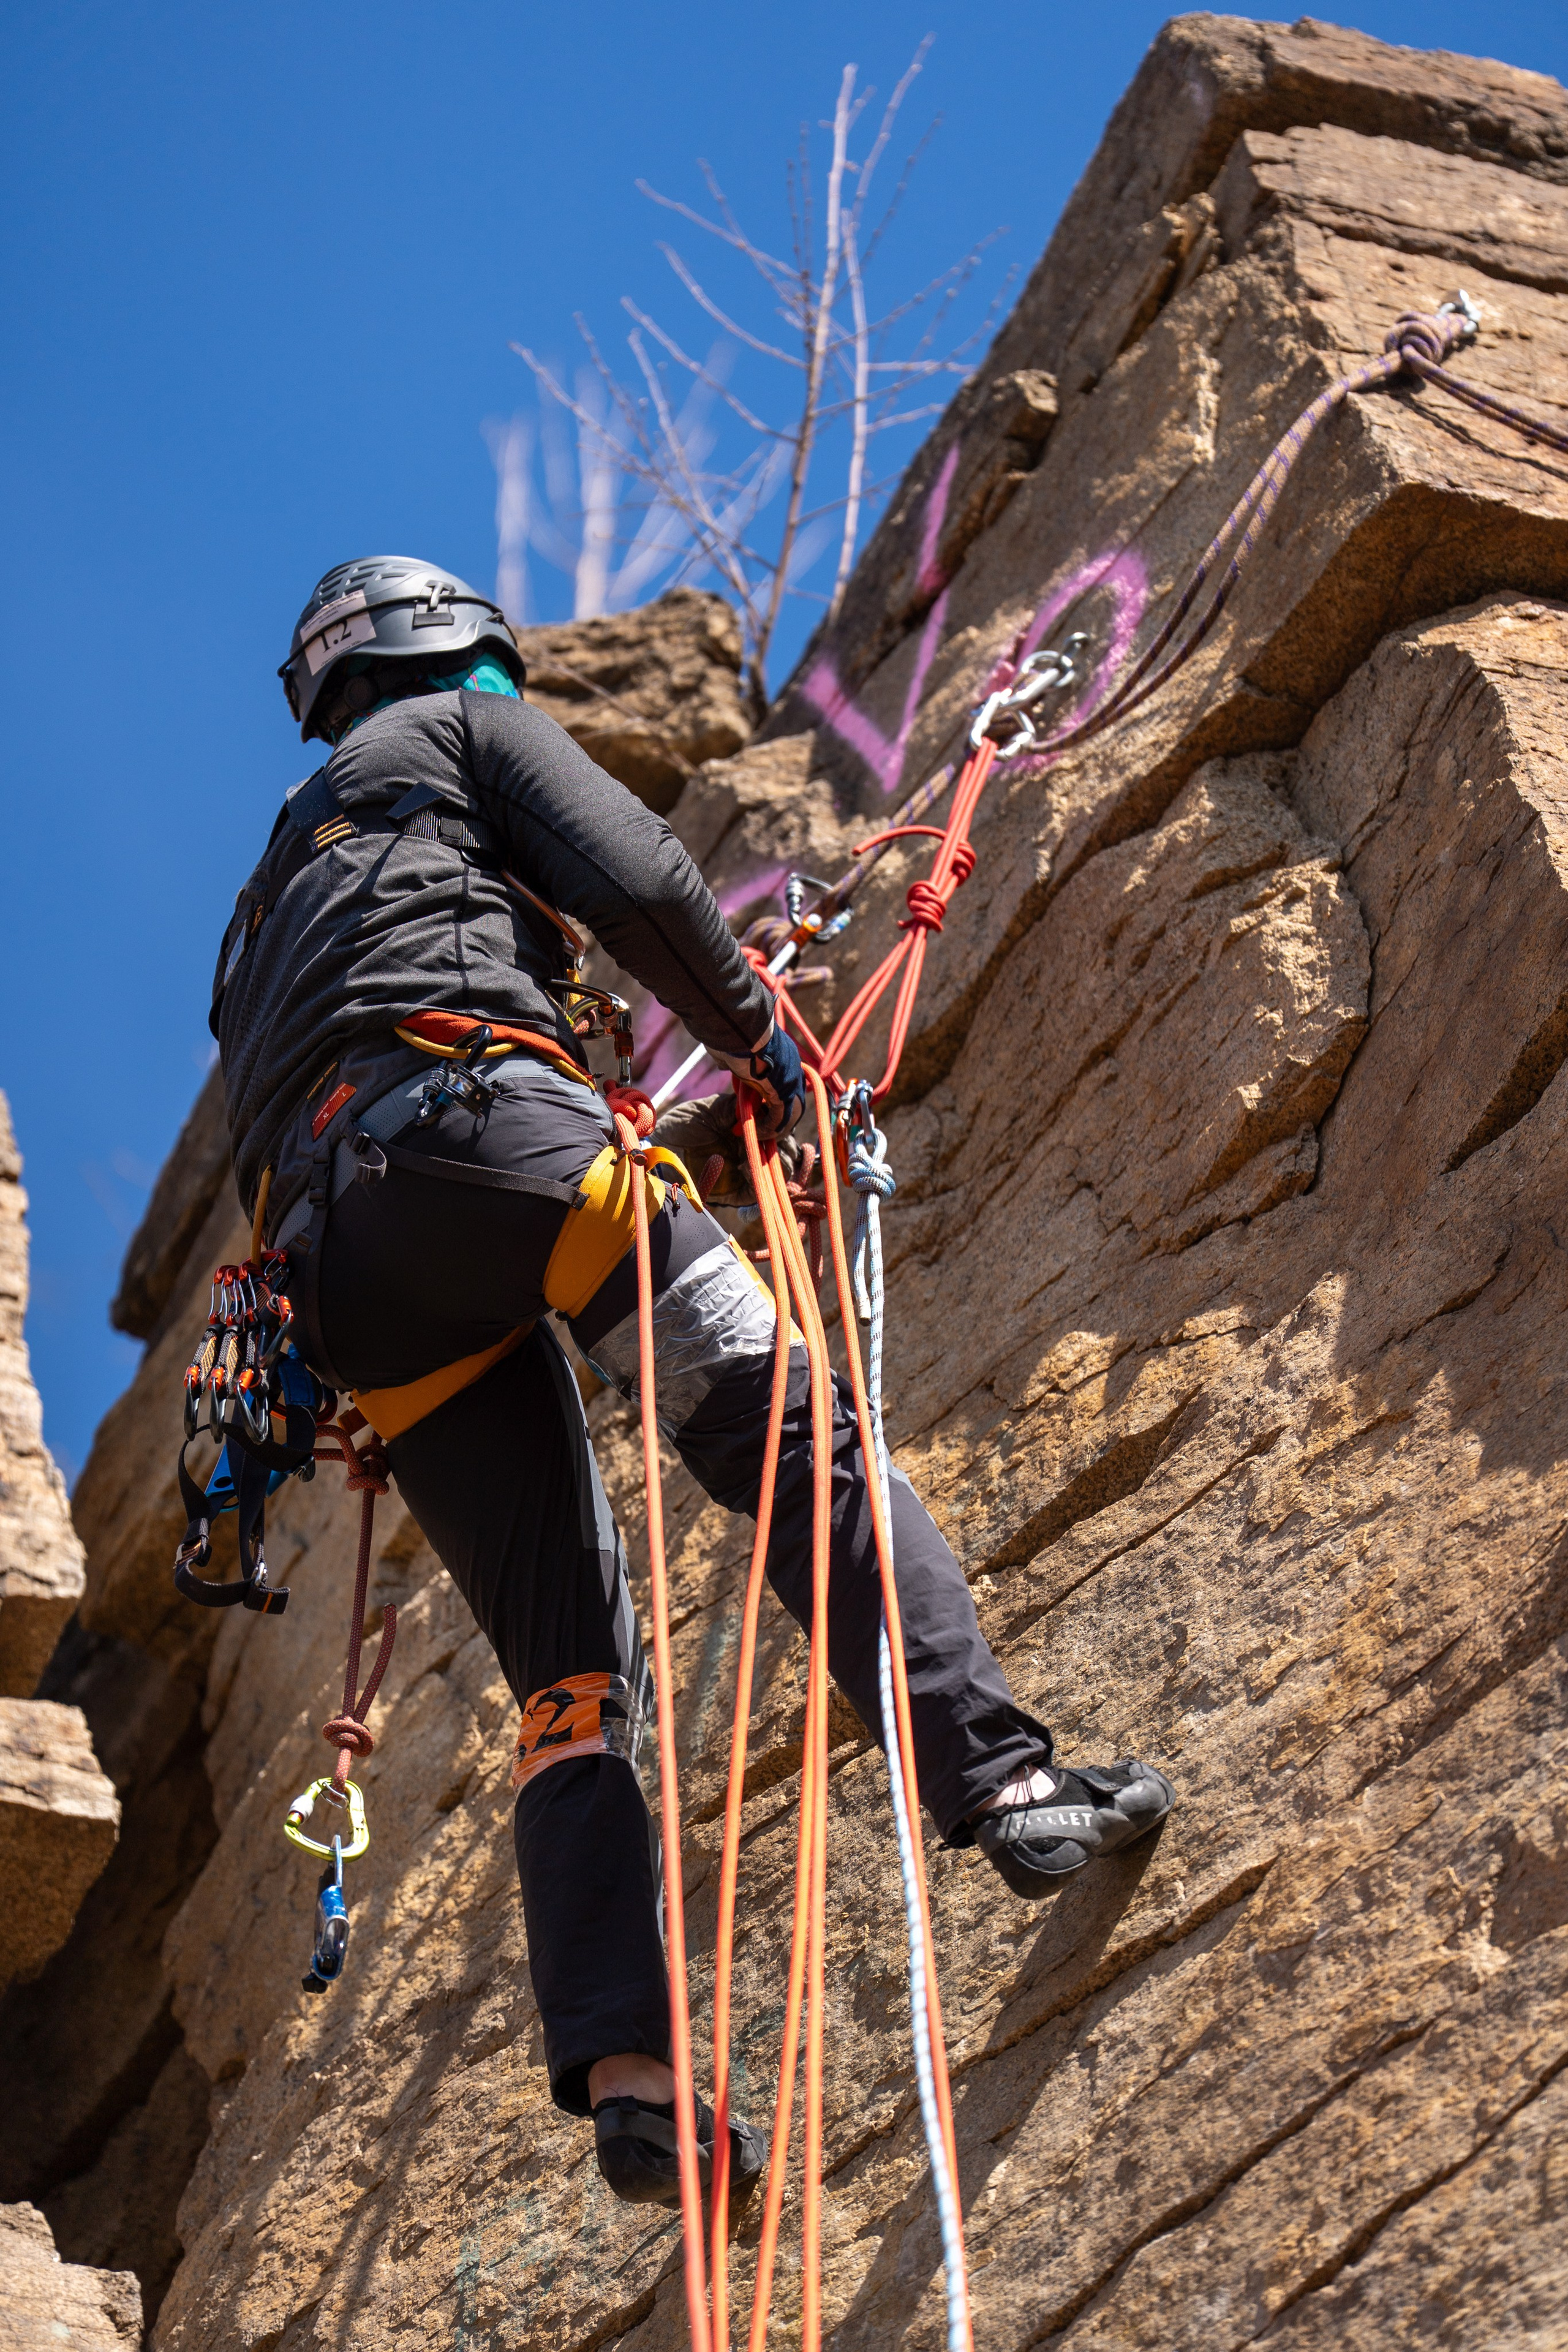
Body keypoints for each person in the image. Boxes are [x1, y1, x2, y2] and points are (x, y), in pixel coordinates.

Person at [211, 554, 1174, 2209]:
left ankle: (640, 2083)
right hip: (505, 1149)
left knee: (567, 1684)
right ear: (458, 655)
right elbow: (644, 873)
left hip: (341, 1289)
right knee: (797, 1443)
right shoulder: (454, 735)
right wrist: (754, 1041)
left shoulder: (255, 918)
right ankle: (1007, 1781)